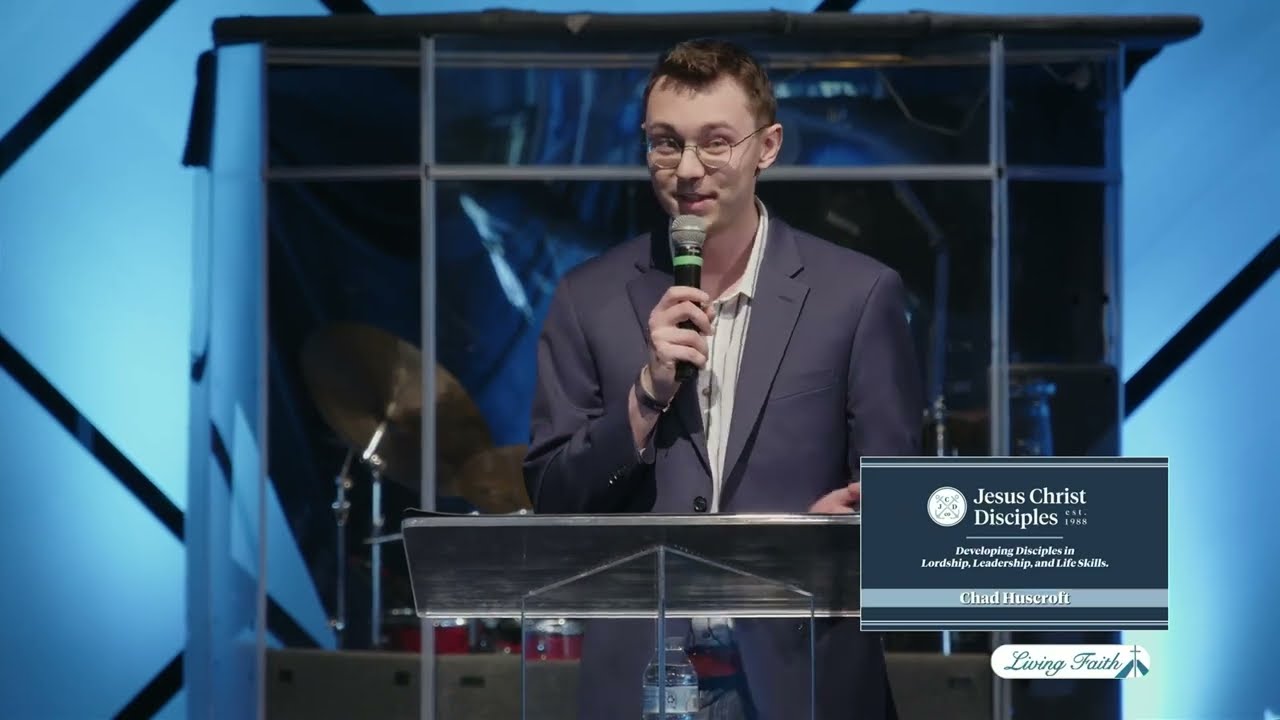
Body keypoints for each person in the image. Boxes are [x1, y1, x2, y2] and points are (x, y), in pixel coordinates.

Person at [524, 38, 922, 720]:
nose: (687, 169)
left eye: (715, 143)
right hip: (645, 678)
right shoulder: (587, 299)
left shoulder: (857, 295)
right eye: (665, 143)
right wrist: (646, 398)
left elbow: (902, 506)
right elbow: (553, 496)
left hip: (804, 674)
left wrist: (853, 526)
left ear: (767, 147)